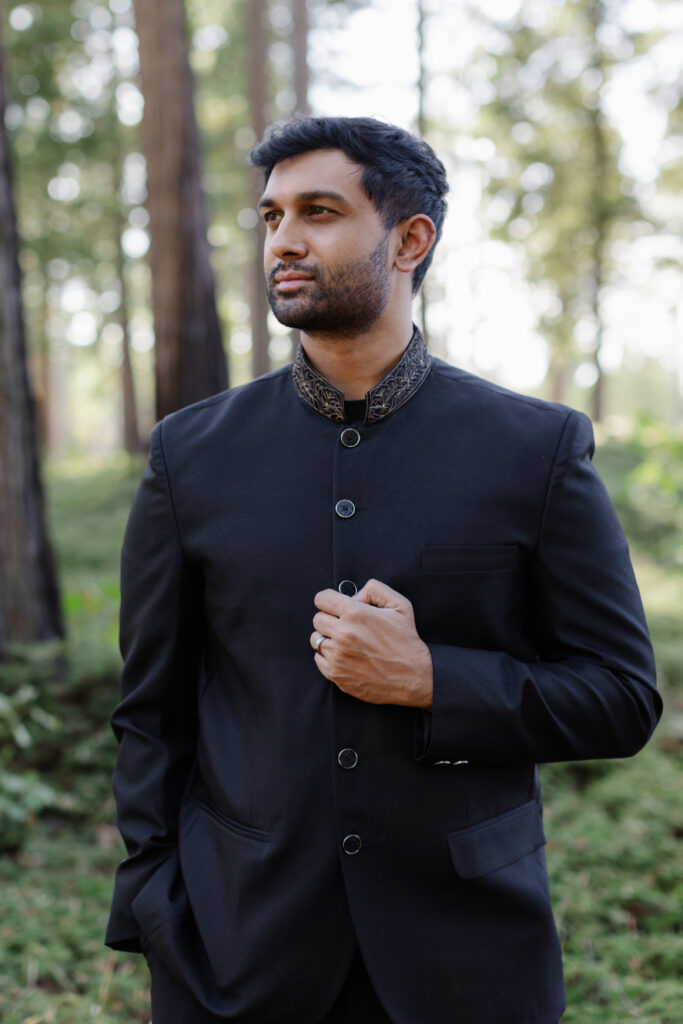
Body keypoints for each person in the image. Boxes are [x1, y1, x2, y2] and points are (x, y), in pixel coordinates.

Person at [105, 116, 661, 1024]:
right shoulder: (189, 455)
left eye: (319, 211)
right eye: (271, 215)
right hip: (237, 949)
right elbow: (151, 712)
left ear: (410, 239)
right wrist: (156, 904)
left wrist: (432, 679)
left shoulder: (535, 449)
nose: (283, 237)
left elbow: (620, 697)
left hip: (469, 956)